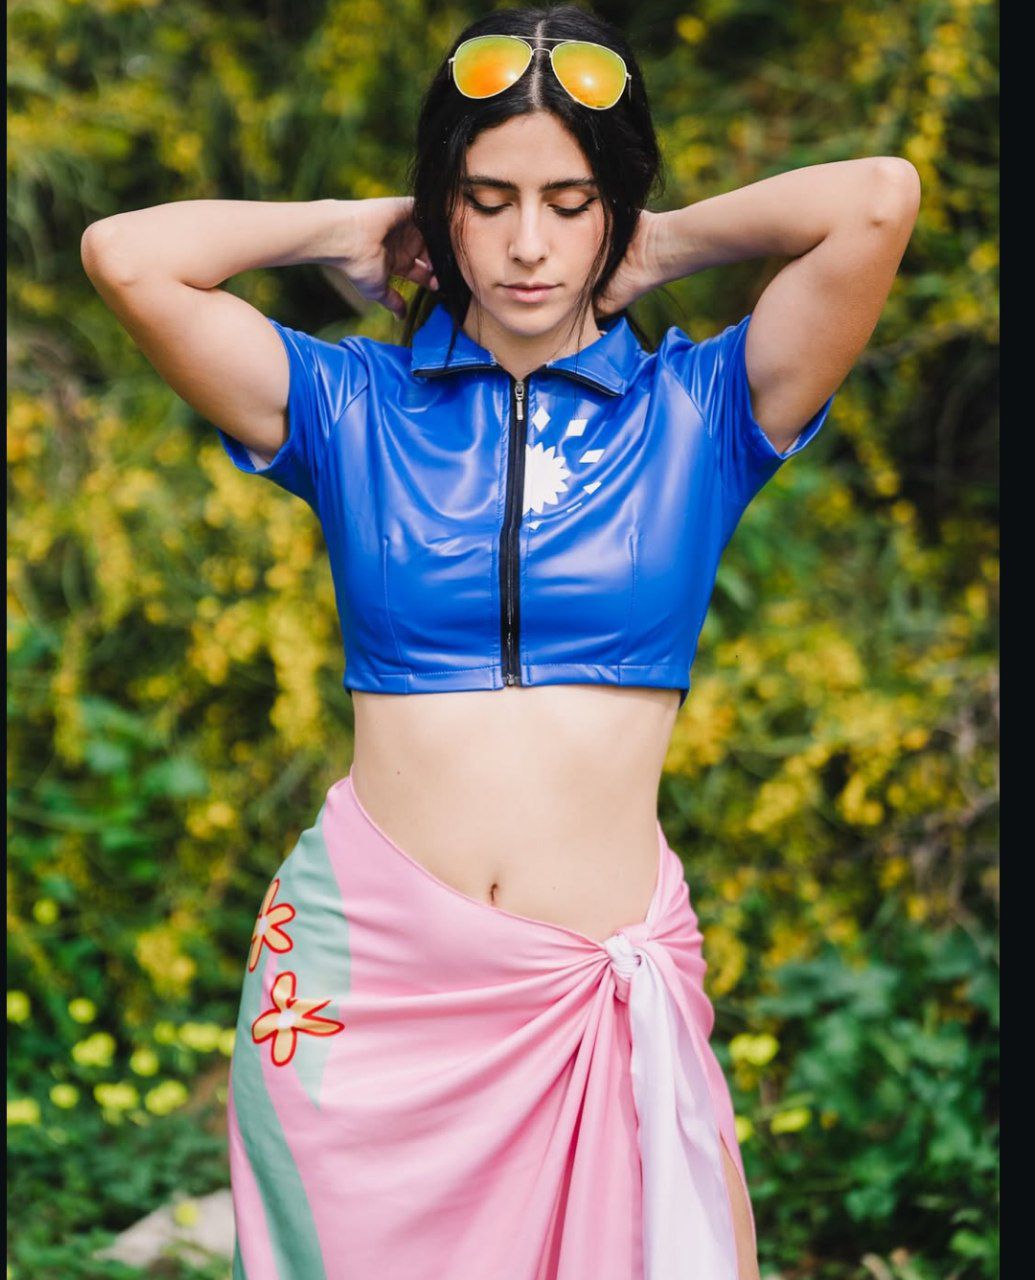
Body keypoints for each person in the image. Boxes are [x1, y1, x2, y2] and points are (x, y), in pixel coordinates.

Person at [80, 6, 920, 1278]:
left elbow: (877, 200)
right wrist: (341, 226)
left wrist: (660, 241)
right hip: (366, 997)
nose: (529, 244)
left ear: (612, 209)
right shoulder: (349, 405)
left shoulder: (703, 411)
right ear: (442, 210)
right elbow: (127, 256)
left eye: (571, 203)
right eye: (486, 200)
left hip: (588, 1007)